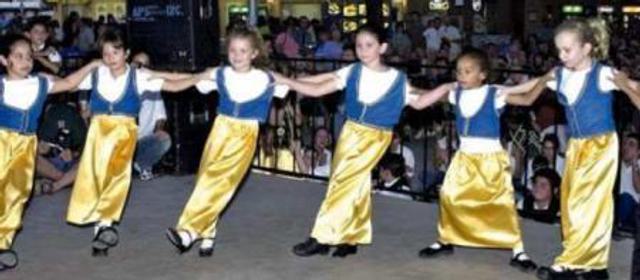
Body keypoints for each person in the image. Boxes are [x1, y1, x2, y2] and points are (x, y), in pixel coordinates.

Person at [274, 25, 442, 258]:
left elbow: (419, 102)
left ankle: (322, 236)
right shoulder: (352, 71)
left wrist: (448, 89)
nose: (362, 50)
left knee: (342, 181)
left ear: (382, 47)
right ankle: (351, 236)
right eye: (358, 45)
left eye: (369, 45)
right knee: (356, 182)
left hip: (375, 136)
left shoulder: (397, 79)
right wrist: (289, 82)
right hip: (350, 132)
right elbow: (318, 88)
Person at [508, 18, 640, 279]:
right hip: (577, 145)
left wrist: (626, 83)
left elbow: (635, 88)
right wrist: (499, 91)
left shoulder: (602, 74)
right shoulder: (560, 73)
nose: (561, 55)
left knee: (586, 204)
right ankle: (593, 265)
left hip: (601, 144)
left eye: (567, 50)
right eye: (559, 50)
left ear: (587, 48)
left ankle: (568, 263)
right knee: (570, 202)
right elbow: (531, 88)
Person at [66, 29, 205, 257]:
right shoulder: (97, 74)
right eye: (105, 53)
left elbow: (172, 83)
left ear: (127, 53)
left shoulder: (137, 76)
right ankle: (99, 228)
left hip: (124, 132)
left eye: (116, 52)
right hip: (98, 133)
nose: (110, 57)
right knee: (96, 180)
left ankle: (105, 226)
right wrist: (90, 65)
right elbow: (67, 84)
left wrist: (200, 77)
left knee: (117, 178)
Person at [165, 26, 290, 257]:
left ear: (254, 53)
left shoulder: (265, 78)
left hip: (245, 133)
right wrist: (154, 75)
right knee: (206, 178)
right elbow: (191, 79)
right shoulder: (220, 73)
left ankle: (188, 232)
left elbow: (292, 87)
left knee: (219, 182)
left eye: (243, 51)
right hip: (220, 129)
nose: (237, 55)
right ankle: (208, 233)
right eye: (233, 50)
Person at [413, 49, 541, 273]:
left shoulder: (495, 94)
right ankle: (445, 240)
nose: (461, 75)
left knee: (502, 203)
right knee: (449, 196)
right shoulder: (457, 95)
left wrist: (546, 80)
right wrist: (406, 88)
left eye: (467, 71)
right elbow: (429, 95)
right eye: (459, 71)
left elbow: (527, 98)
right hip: (464, 157)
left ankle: (518, 250)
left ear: (482, 74)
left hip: (491, 158)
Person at [0, 33, 101, 271]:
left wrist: (93, 65)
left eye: (29, 56)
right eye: (18, 56)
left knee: (17, 196)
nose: (26, 61)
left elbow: (69, 84)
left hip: (25, 146)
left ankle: (2, 245)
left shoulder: (40, 83)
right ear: (5, 60)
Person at [130, 52, 172, 181]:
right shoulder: (123, 84)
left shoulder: (153, 88)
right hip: (124, 141)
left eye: (144, 65)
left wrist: (158, 129)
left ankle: (142, 164)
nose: (140, 68)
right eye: (137, 64)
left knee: (164, 139)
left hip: (141, 142)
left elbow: (161, 116)